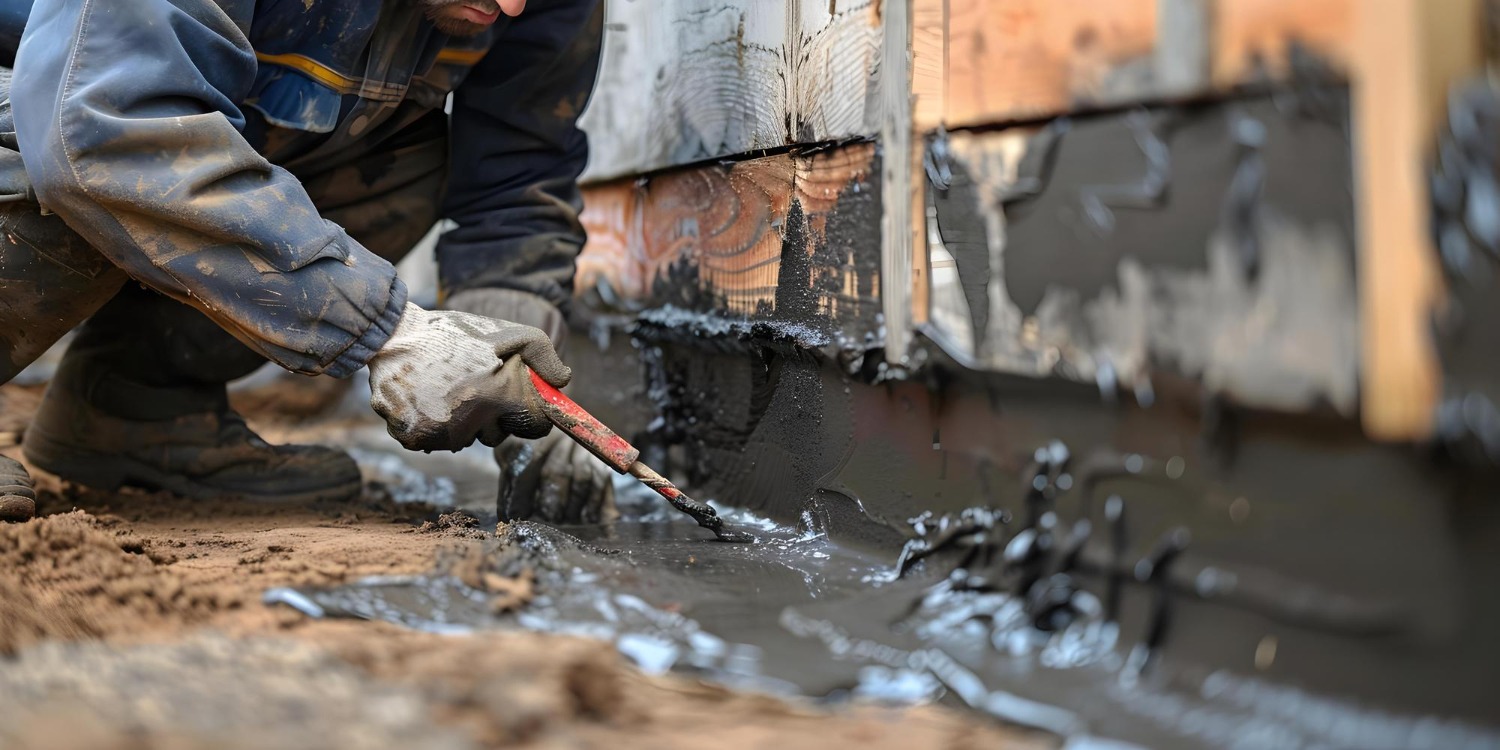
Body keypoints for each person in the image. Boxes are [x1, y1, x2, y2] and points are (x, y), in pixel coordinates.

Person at [0, 0, 616, 523]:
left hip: (106, 130)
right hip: (56, 111)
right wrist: (397, 334)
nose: (508, 7)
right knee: (74, 148)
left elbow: (513, 190)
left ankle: (133, 407)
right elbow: (108, 129)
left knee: (399, 163)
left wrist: (521, 384)